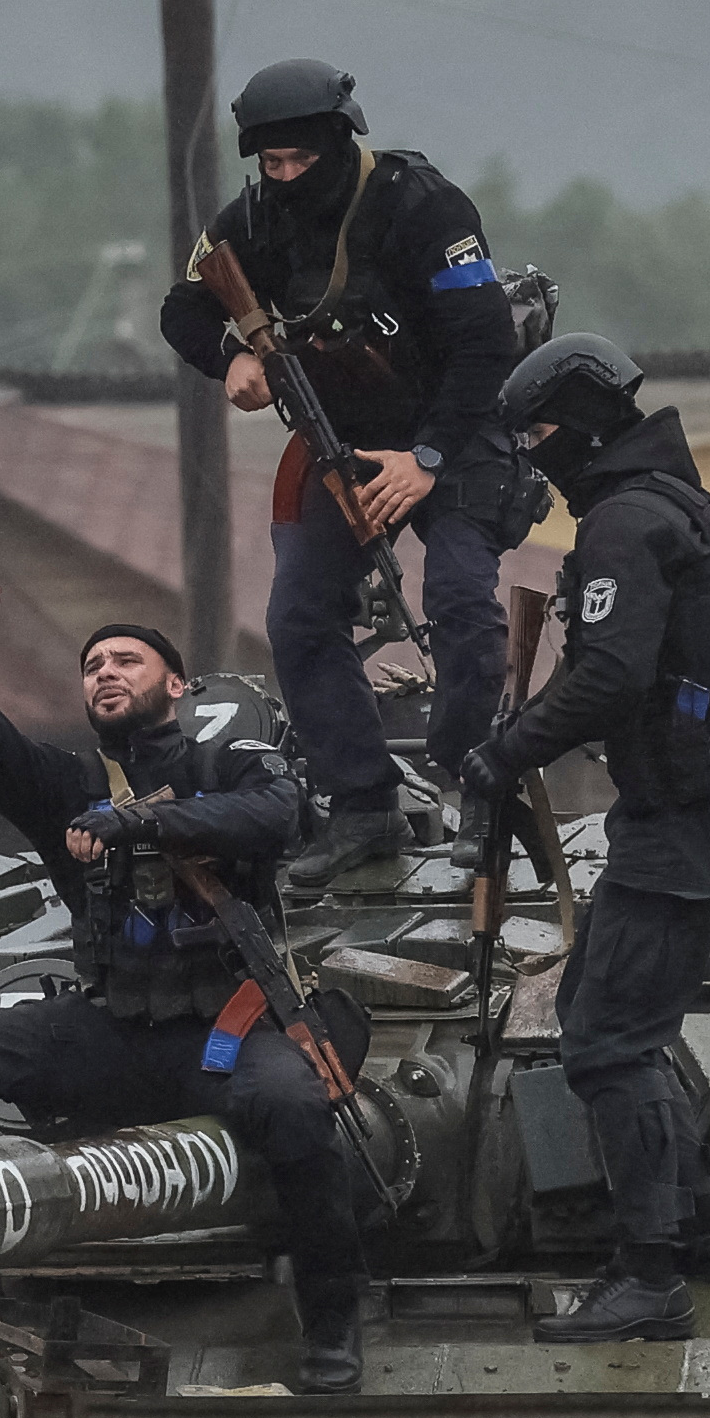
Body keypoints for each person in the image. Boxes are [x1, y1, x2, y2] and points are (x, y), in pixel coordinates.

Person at [0, 568, 369, 1391]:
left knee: (298, 1111)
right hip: (113, 1031)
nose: (107, 671)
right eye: (92, 665)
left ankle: (331, 1331)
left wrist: (143, 820)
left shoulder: (230, 758)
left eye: (128, 659)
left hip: (221, 1036)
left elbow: (276, 815)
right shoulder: (72, 788)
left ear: (178, 684)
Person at [462, 334, 710, 1343]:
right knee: (606, 1007)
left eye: (544, 434)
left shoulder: (622, 524)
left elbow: (608, 676)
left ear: (587, 427)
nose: (539, 457)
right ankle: (703, 1232)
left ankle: (649, 1276)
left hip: (686, 805)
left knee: (607, 1040)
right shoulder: (674, 509)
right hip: (690, 797)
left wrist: (501, 755)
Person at [158, 57, 527, 886]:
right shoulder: (254, 218)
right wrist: (231, 361)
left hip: (454, 433)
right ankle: (364, 806)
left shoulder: (423, 208)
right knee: (298, 616)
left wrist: (427, 458)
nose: (285, 177)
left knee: (462, 603)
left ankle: (478, 789)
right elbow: (182, 306)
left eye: (300, 161)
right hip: (345, 442)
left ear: (338, 142)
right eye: (271, 163)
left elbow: (485, 345)